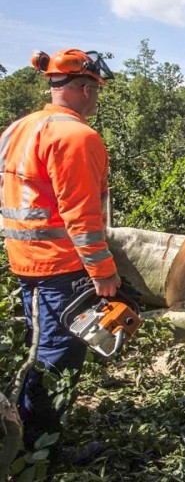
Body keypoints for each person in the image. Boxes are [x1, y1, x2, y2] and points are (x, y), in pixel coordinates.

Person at [0, 48, 122, 454]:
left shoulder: (17, 128)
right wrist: (104, 273)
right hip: (62, 264)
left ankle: (31, 439)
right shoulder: (76, 136)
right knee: (57, 356)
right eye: (96, 90)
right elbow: (81, 216)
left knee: (43, 346)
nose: (96, 98)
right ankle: (38, 451)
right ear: (85, 88)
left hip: (26, 258)